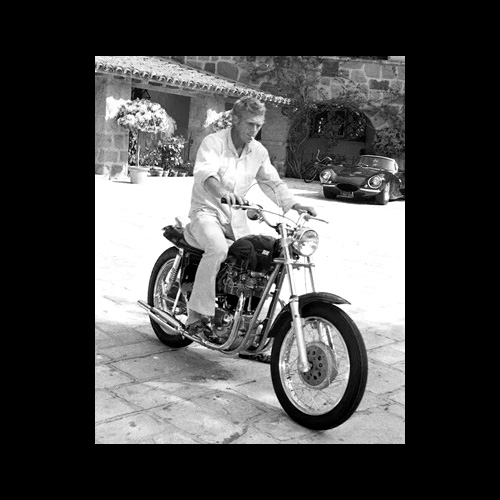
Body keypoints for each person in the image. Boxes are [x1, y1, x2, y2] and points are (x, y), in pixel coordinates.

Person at [183, 96, 317, 338]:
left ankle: (245, 321)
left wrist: (295, 204)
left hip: (236, 219)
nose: (254, 130)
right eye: (250, 124)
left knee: (259, 258)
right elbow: (206, 174)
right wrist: (222, 193)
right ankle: (196, 315)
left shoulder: (258, 151)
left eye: (258, 125)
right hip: (207, 212)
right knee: (217, 248)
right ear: (235, 119)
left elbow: (272, 183)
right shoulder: (213, 142)